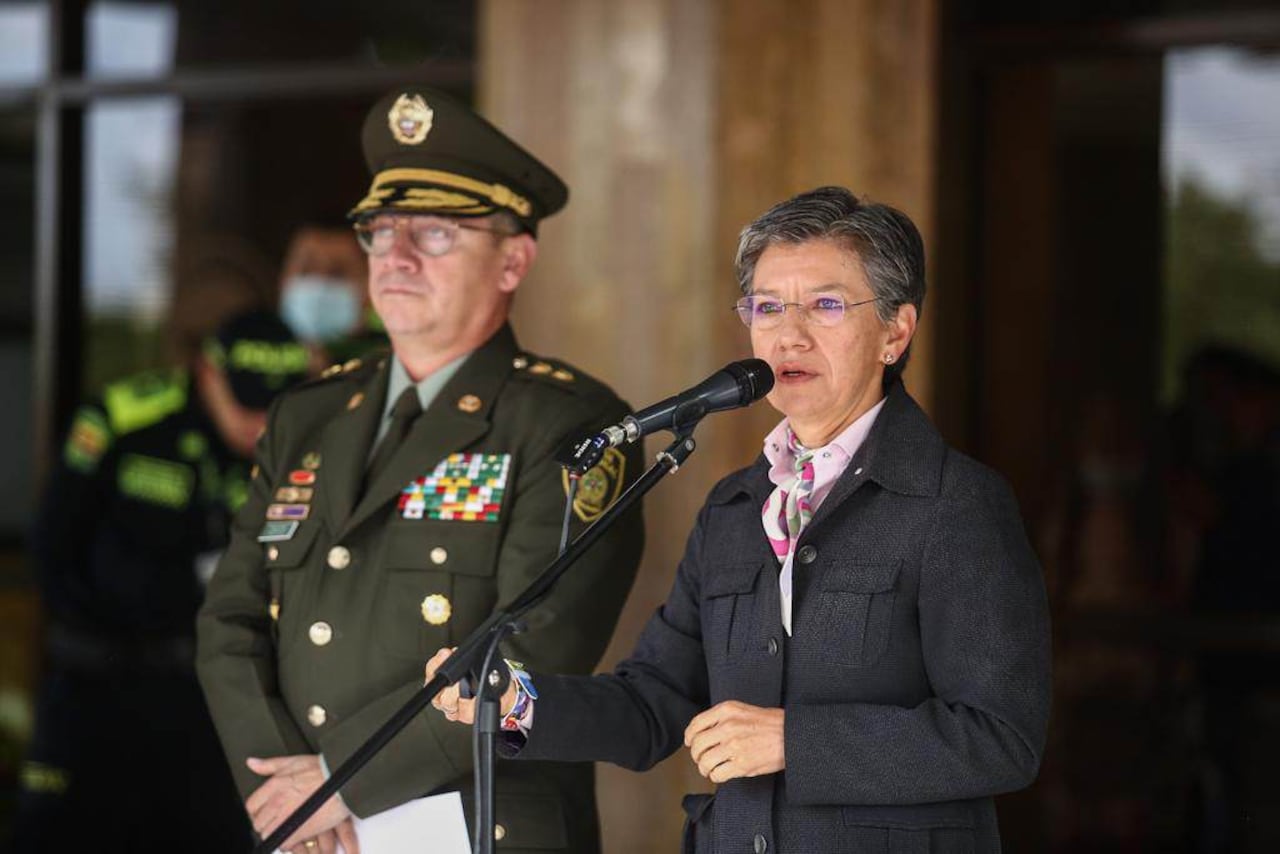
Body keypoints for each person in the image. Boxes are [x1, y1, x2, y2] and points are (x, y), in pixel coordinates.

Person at [428, 187, 1052, 853]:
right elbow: (654, 703)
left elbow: (1000, 738)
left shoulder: (953, 502)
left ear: (895, 332)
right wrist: (519, 703)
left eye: (826, 305)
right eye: (767, 306)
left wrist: (793, 741)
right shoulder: (735, 507)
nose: (790, 333)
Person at [196, 87, 645, 854]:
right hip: (305, 834)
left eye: (436, 234)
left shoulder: (571, 424)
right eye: (380, 229)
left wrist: (336, 783)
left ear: (513, 260)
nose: (396, 256)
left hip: (476, 826)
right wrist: (285, 795)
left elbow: (534, 653)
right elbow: (229, 621)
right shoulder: (308, 415)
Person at [11, 310, 309, 853]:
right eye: (245, 404)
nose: (258, 424)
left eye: (275, 408)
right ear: (208, 374)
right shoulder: (124, 419)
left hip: (212, 706)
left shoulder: (304, 443)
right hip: (96, 689)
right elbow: (53, 552)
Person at [277, 222, 388, 374]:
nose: (319, 284)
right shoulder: (247, 353)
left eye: (337, 273)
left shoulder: (387, 365)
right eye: (307, 270)